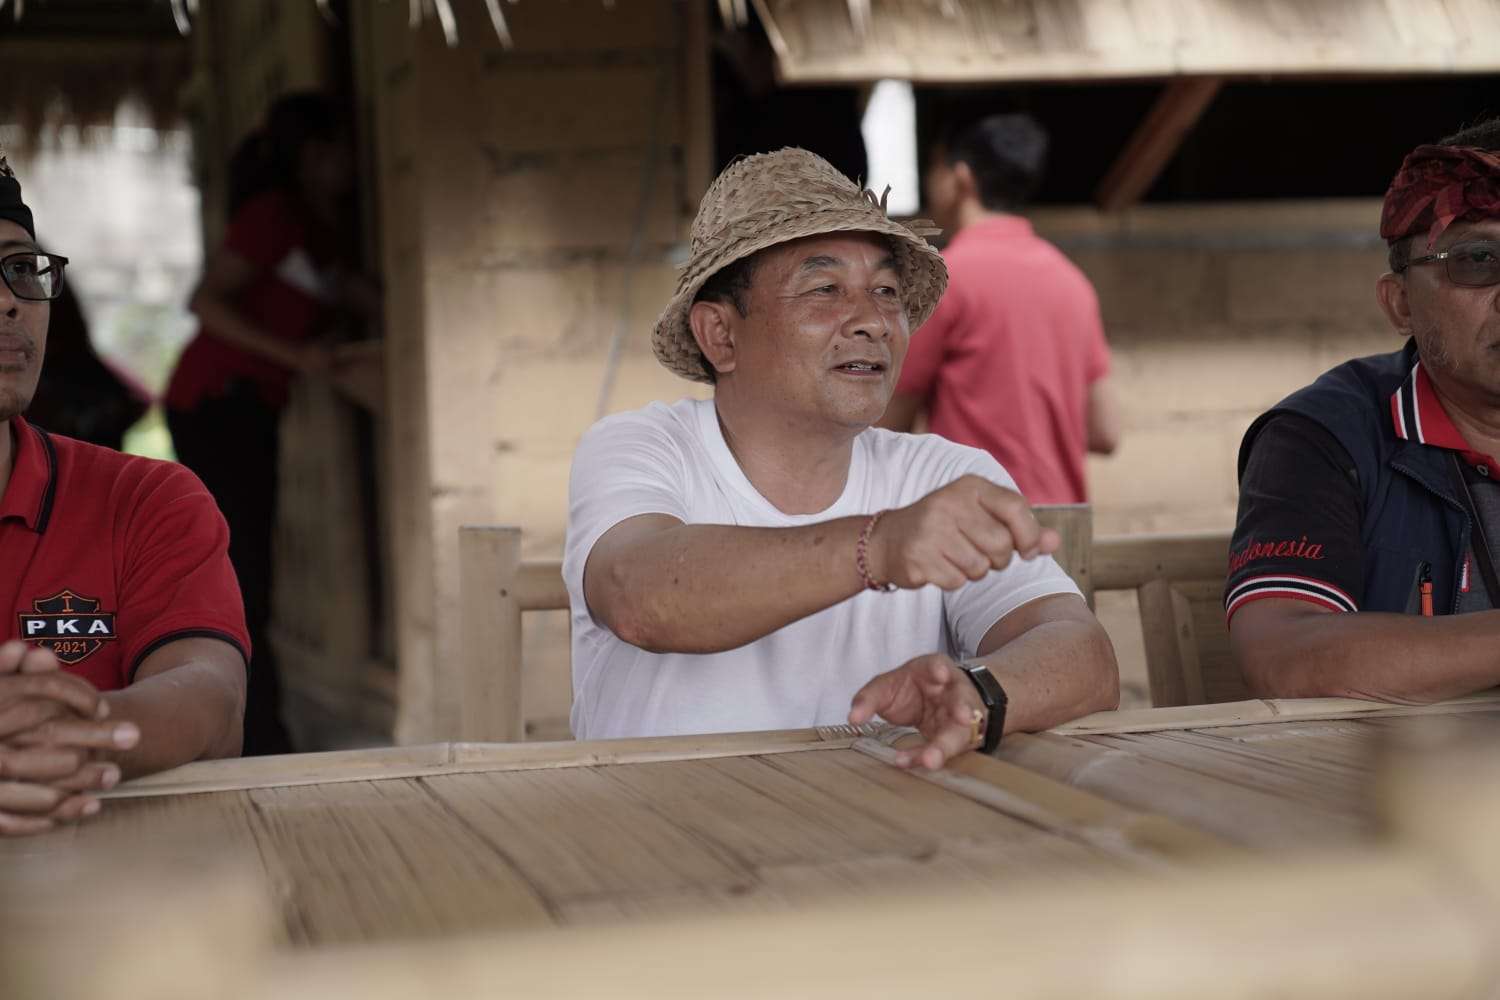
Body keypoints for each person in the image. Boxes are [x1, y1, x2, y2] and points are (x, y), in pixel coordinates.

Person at [564, 148, 1119, 768]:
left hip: (877, 845)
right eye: (824, 289)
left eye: (885, 291)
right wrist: (877, 548)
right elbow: (638, 597)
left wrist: (980, 693)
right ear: (720, 335)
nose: (874, 322)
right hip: (663, 845)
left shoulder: (942, 475)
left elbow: (1084, 654)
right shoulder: (644, 446)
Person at [0, 146, 249, 836]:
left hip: (111, 908)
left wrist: (81, 733)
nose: (9, 301)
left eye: (22, 270)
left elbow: (214, 699)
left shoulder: (146, 501)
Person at [1226, 119, 1500, 703]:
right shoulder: (1324, 439)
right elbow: (1286, 657)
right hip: (1399, 788)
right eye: (1478, 258)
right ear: (1400, 303)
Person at [163, 91, 373, 755]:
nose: (354, 162)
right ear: (314, 156)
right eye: (342, 148)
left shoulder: (316, 225)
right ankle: (253, 738)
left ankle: (262, 730)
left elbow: (353, 291)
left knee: (254, 567)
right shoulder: (271, 217)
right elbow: (206, 302)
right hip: (214, 403)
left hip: (249, 408)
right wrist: (299, 356)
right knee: (240, 570)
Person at [879, 115, 1120, 504]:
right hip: (1061, 534)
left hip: (977, 530)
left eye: (934, 167)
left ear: (961, 178)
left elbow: (889, 421)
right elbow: (1105, 431)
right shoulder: (1072, 283)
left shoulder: (945, 282)